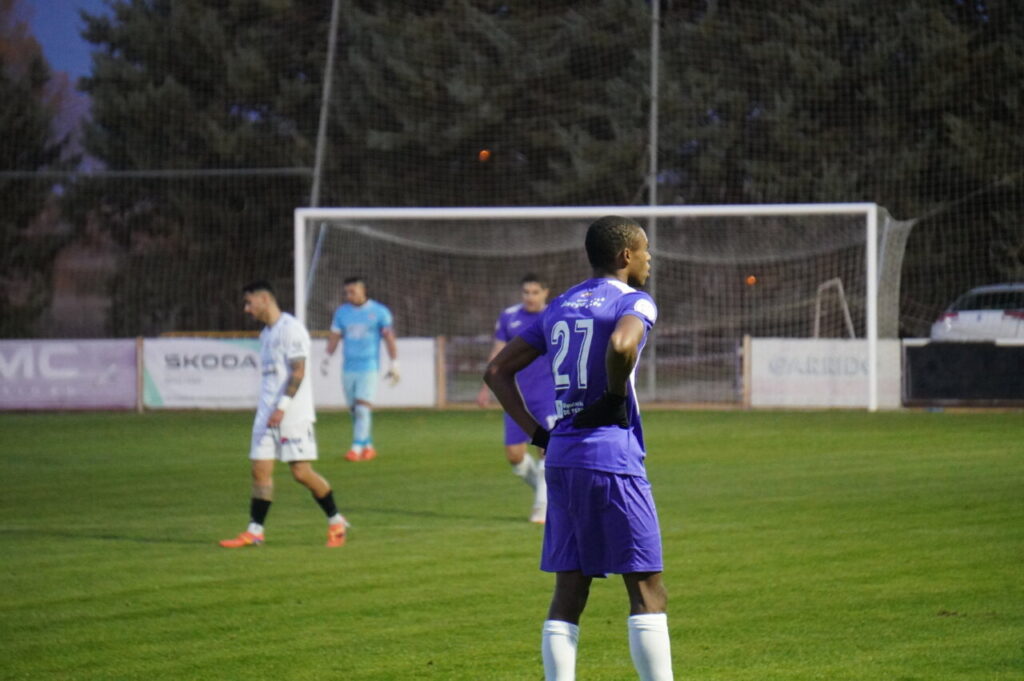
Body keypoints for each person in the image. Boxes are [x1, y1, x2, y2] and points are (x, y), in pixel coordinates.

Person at [484, 216, 674, 681]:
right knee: (648, 589)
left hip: (563, 458)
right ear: (626, 256)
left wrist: (536, 434)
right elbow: (622, 342)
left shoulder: (560, 305)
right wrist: (612, 398)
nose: (650, 258)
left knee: (570, 588)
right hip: (613, 459)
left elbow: (495, 372)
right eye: (645, 249)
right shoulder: (634, 301)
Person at [220, 280, 349, 549]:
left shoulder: (292, 330)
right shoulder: (266, 334)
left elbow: (298, 372)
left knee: (301, 473)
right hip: (267, 413)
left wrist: (282, 407)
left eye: (249, 302)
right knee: (259, 470)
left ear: (265, 299)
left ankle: (336, 521)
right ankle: (255, 531)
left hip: (292, 414)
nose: (246, 309)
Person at [476, 274, 556, 524]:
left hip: (548, 394)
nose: (529, 297)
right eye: (526, 292)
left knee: (547, 449)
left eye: (535, 292)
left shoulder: (554, 315)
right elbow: (498, 352)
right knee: (514, 455)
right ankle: (544, 492)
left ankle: (542, 505)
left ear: (545, 293)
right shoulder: (509, 316)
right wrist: (485, 387)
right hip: (516, 395)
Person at [320, 276, 399, 462]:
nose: (349, 295)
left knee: (363, 409)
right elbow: (335, 336)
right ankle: (368, 446)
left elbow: (389, 338)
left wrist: (394, 362)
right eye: (346, 292)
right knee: (355, 410)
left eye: (352, 291)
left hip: (369, 366)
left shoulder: (379, 312)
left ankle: (355, 448)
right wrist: (326, 357)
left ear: (363, 291)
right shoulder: (342, 313)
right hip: (348, 367)